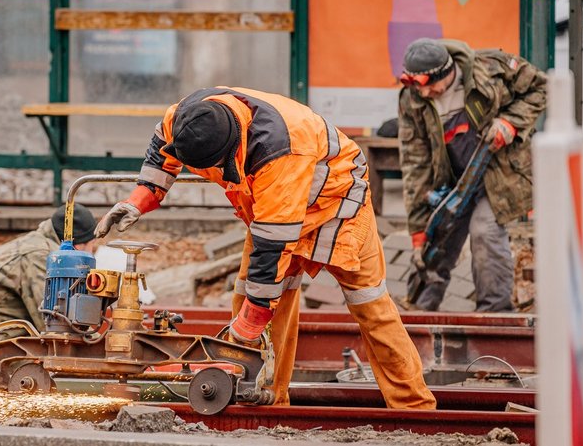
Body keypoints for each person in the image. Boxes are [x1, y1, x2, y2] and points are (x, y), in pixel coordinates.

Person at [94, 87, 435, 410]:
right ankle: (270, 399)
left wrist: (252, 322)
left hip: (337, 203)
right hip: (271, 210)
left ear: (233, 151)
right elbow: (160, 149)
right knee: (252, 297)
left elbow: (271, 249)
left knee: (369, 306)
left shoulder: (278, 150)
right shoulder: (185, 117)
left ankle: (414, 406)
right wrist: (139, 200)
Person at [398, 38, 547, 312]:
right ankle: (417, 313)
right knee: (433, 243)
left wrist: (510, 122)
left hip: (496, 175)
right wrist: (418, 228)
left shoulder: (490, 69)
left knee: (485, 232)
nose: (425, 92)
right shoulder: (413, 98)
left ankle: (495, 313)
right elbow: (414, 162)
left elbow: (540, 88)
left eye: (429, 85)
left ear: (445, 72)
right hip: (452, 182)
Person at [0, 203, 97, 373]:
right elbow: (57, 323)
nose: (93, 252)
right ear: (78, 246)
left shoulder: (38, 246)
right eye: (92, 246)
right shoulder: (41, 256)